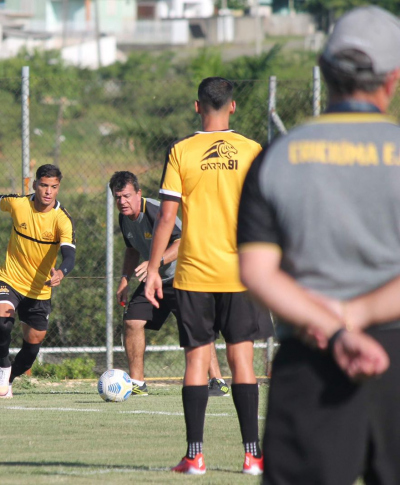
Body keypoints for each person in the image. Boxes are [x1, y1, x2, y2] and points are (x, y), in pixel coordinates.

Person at [237, 6, 400, 483]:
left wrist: (333, 325)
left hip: (310, 355)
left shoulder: (278, 157)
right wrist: (356, 317)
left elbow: (257, 271)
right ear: (392, 78)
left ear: (325, 72)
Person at [143, 77, 274, 475]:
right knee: (242, 361)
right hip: (241, 273)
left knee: (197, 361)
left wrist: (152, 269)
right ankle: (253, 457)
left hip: (194, 273)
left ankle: (195, 456)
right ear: (232, 107)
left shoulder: (181, 151)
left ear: (196, 106)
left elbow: (167, 217)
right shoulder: (253, 151)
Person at [0, 164, 75, 398]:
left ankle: (9, 379)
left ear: (58, 188)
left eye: (54, 187)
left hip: (39, 290)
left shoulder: (62, 220)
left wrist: (61, 271)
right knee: (3, 320)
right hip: (9, 278)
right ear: (35, 184)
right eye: (44, 185)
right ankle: (3, 364)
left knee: (32, 347)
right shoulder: (19, 204)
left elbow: (70, 253)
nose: (48, 191)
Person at [109, 171, 229, 397]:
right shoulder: (124, 218)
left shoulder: (155, 210)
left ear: (139, 193)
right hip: (155, 280)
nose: (122, 202)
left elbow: (183, 242)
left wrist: (155, 263)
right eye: (117, 197)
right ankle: (137, 383)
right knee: (133, 321)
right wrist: (124, 279)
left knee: (195, 327)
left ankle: (217, 381)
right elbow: (132, 248)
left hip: (184, 276)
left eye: (126, 196)